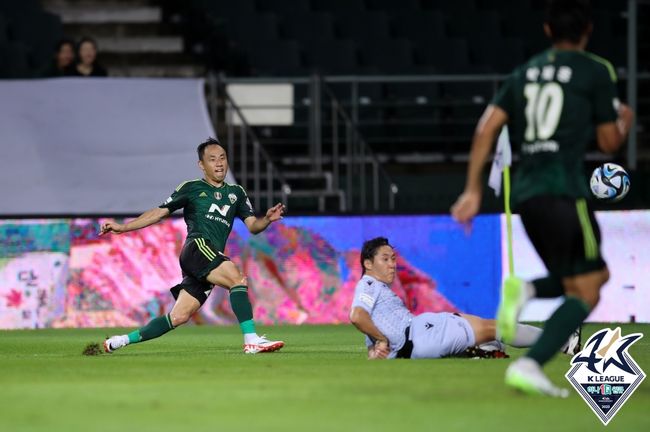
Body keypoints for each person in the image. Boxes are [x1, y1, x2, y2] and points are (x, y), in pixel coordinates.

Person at [451, 0, 634, 396]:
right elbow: (608, 143)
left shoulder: (524, 73)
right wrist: (625, 121)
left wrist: (472, 189)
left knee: (585, 279)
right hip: (565, 190)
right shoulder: (595, 70)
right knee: (588, 288)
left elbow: (486, 128)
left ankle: (529, 296)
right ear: (587, 31)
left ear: (548, 31)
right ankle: (531, 356)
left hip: (527, 194)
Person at [101, 137, 285, 354]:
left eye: (222, 158)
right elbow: (159, 212)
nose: (219, 163)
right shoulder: (192, 188)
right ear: (202, 165)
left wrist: (267, 219)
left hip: (205, 258)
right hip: (197, 247)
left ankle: (119, 341)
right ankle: (252, 340)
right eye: (212, 159)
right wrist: (123, 228)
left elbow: (253, 226)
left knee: (178, 317)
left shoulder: (236, 193)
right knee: (237, 278)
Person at [349, 237, 566, 360]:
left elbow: (371, 337)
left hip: (415, 346)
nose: (392, 264)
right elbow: (357, 316)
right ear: (368, 264)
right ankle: (563, 340)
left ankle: (482, 351)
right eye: (385, 259)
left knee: (488, 333)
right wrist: (382, 340)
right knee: (498, 327)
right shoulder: (369, 284)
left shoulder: (375, 297)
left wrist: (376, 350)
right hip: (422, 332)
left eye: (394, 258)